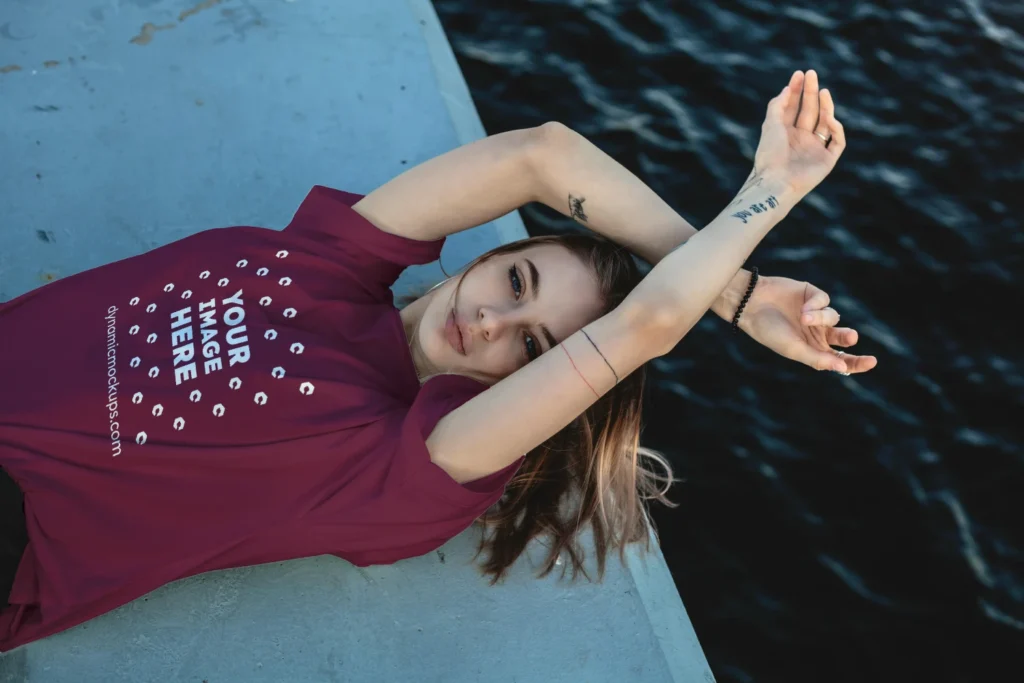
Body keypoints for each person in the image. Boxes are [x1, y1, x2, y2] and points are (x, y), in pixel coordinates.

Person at [0, 69, 875, 652]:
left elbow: (646, 324)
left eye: (532, 348)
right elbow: (539, 155)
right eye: (517, 279)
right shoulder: (335, 260)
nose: (492, 319)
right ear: (486, 258)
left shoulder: (407, 464)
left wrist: (772, 191)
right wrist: (742, 286)